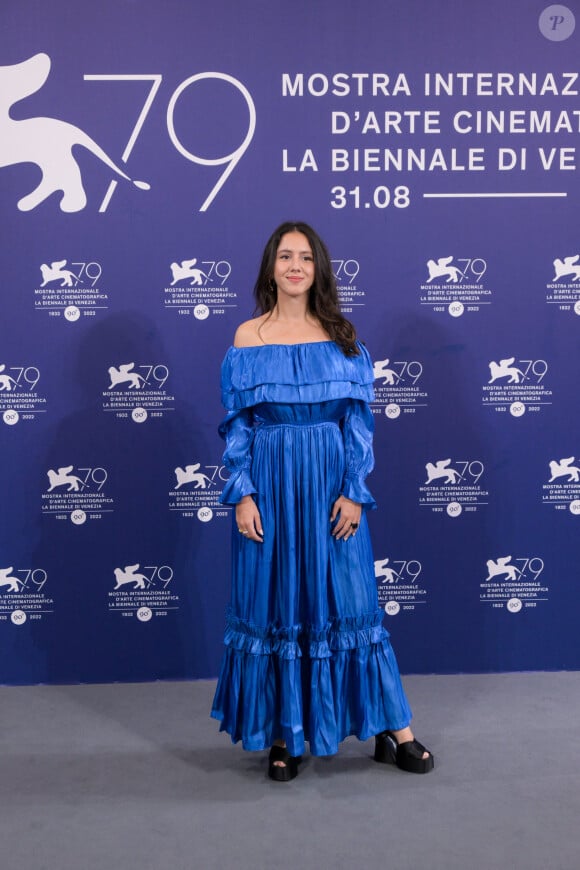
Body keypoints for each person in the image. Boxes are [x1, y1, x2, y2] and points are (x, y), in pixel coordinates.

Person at [211, 221, 433, 781]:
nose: (294, 266)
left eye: (305, 258)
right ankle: (285, 733)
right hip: (270, 484)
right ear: (270, 268)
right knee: (277, 605)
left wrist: (355, 492)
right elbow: (238, 428)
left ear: (318, 270)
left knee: (353, 603)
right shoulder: (246, 337)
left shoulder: (343, 338)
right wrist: (242, 495)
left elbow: (358, 425)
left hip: (332, 486)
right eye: (284, 256)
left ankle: (393, 727)